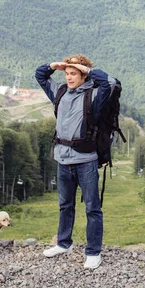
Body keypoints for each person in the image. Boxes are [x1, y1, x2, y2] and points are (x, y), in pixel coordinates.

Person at [35, 54, 117, 270]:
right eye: (67, 74)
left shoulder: (94, 95)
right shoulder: (60, 93)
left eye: (74, 74)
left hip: (85, 160)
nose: (69, 78)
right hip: (62, 158)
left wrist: (87, 69)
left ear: (83, 74)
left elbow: (111, 83)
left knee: (92, 207)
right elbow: (40, 75)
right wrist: (55, 66)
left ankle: (93, 252)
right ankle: (63, 244)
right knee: (65, 205)